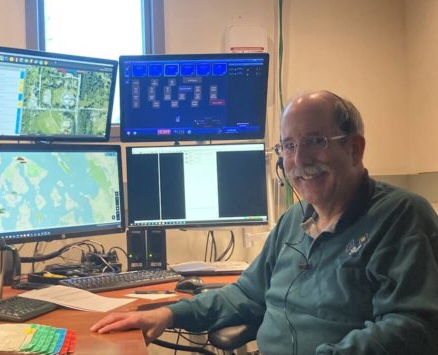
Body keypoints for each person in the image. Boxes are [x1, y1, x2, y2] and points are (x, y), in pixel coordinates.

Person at [91, 90, 438, 354]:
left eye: (315, 141)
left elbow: (411, 326)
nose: (299, 159)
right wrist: (169, 315)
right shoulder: (293, 220)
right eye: (288, 146)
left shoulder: (401, 216)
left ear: (355, 148)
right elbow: (246, 293)